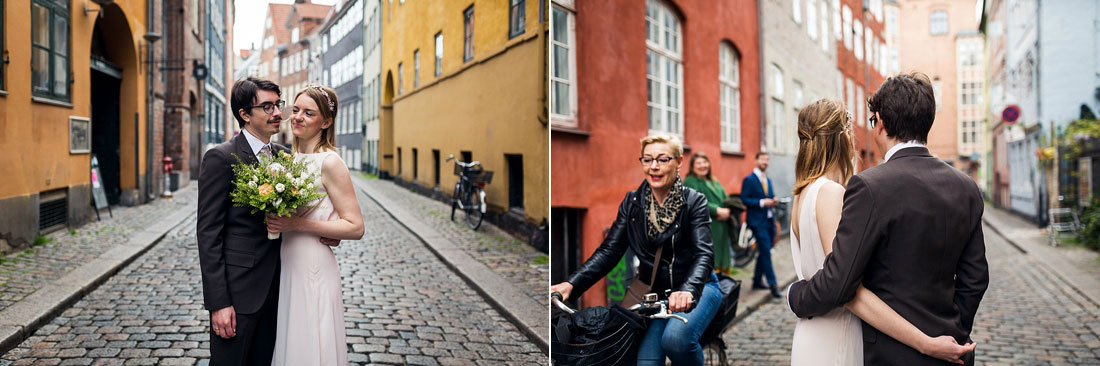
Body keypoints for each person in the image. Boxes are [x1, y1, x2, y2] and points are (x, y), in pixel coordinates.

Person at [787, 73, 989, 365]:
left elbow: (840, 282)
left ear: (879, 121)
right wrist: (952, 330)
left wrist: (796, 295)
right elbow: (975, 278)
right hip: (951, 350)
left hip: (886, 352)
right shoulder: (966, 186)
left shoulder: (868, 187)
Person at [198, 77, 338, 365]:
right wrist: (219, 303)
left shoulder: (285, 157)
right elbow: (208, 234)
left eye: (278, 104)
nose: (278, 113)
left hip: (283, 290)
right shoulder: (221, 158)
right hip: (239, 293)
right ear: (244, 115)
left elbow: (301, 213)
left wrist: (326, 230)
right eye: (267, 107)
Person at [549, 135, 721, 366]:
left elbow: (703, 254)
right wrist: (572, 284)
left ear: (679, 162)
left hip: (698, 287)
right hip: (656, 295)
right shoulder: (632, 204)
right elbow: (609, 251)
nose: (654, 167)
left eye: (662, 159)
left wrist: (688, 290)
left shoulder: (694, 202)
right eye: (647, 159)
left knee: (676, 340)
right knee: (644, 363)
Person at [266, 85, 364, 365]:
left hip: (313, 266)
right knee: (292, 339)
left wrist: (297, 224)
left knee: (310, 341)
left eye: (309, 113)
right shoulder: (289, 159)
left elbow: (355, 226)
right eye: (295, 110)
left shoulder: (330, 162)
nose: (297, 117)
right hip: (288, 263)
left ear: (327, 121)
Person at [683, 152, 733, 275]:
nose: (703, 165)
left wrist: (728, 209)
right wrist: (717, 210)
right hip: (707, 227)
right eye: (699, 163)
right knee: (710, 260)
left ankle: (724, 285)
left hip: (721, 225)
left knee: (723, 259)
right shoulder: (690, 181)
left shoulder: (713, 180)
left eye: (705, 162)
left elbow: (725, 197)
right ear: (693, 166)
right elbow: (694, 201)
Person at [741, 152, 781, 298]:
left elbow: (769, 197)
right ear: (756, 160)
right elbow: (744, 199)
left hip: (769, 220)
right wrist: (762, 202)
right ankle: (773, 285)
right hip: (757, 222)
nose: (765, 162)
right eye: (763, 159)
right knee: (766, 252)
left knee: (764, 251)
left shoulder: (768, 180)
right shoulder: (749, 180)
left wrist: (773, 199)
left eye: (767, 159)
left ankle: (757, 281)